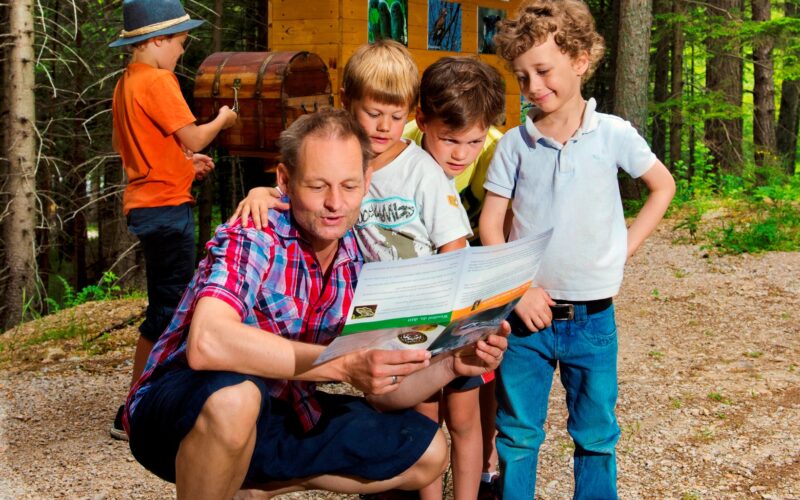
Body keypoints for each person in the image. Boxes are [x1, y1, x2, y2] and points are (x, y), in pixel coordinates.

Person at [124, 108, 509, 500]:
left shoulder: (363, 258)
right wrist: (338, 363)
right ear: (285, 181)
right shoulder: (256, 232)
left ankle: (256, 488)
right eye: (317, 186)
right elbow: (208, 343)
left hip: (281, 412)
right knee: (237, 399)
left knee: (426, 451)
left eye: (349, 185)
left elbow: (383, 392)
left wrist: (452, 364)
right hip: (179, 408)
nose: (335, 203)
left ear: (367, 180)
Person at [230, 43, 476, 499]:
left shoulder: (420, 171)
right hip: (376, 313)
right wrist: (264, 193)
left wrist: (451, 312)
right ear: (347, 103)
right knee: (393, 415)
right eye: (373, 112)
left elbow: (454, 246)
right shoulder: (338, 158)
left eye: (395, 115)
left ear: (411, 114)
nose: (384, 126)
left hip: (429, 309)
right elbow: (302, 187)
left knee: (452, 420)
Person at [478, 1, 676, 498]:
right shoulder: (514, 146)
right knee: (519, 435)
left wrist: (623, 248)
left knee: (596, 437)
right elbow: (489, 223)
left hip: (593, 320)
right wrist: (518, 291)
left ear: (581, 60)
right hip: (525, 321)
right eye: (522, 77)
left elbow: (662, 186)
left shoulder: (612, 134)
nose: (533, 87)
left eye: (543, 71)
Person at [108, 0, 238, 440]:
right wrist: (222, 118)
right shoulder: (160, 81)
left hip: (149, 204)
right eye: (181, 43)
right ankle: (138, 413)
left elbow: (140, 148)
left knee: (166, 308)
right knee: (173, 312)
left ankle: (140, 406)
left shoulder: (127, 82)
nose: (182, 52)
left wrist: (186, 165)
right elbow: (194, 134)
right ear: (158, 40)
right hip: (165, 212)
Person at [402, 56, 507, 500]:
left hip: (470, 278)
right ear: (422, 121)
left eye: (473, 141)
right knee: (423, 409)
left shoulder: (494, 149)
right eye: (449, 140)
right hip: (417, 294)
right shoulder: (400, 145)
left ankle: (486, 464)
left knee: (475, 385)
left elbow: (500, 221)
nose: (461, 153)